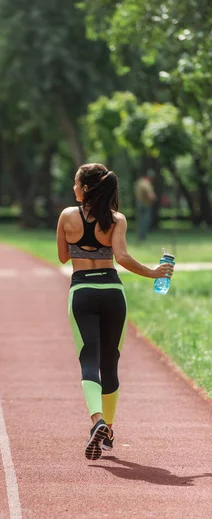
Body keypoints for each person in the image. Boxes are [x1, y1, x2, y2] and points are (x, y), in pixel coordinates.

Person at [56, 163, 174, 460]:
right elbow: (121, 257)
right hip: (113, 293)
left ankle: (96, 422)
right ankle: (107, 430)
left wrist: (81, 245)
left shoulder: (67, 216)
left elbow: (61, 256)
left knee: (88, 360)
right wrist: (153, 272)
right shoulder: (116, 219)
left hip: (82, 291)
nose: (73, 188)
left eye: (75, 184)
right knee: (110, 364)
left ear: (84, 188)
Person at [134, 175, 156, 240]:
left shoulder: (139, 183)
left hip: (139, 203)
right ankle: (142, 237)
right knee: (145, 220)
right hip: (145, 204)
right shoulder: (146, 184)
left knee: (140, 221)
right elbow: (150, 195)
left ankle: (140, 236)